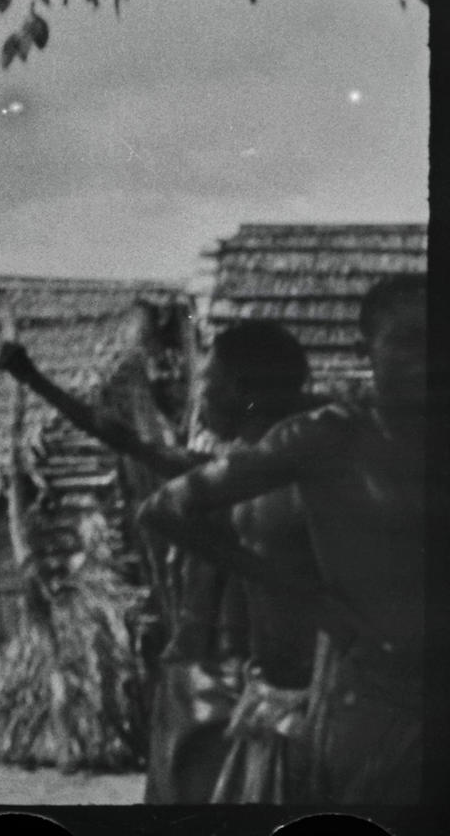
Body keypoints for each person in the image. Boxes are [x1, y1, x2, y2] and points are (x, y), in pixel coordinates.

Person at [0, 320, 321, 802]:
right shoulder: (248, 472)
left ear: (241, 391)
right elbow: (125, 439)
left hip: (234, 687)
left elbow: (130, 442)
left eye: (207, 383)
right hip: (219, 680)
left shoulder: (249, 478)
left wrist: (35, 379)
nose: (200, 396)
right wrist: (37, 381)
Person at [139, 274, 426, 804]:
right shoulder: (311, 447)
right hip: (310, 695)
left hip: (314, 690)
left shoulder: (321, 457)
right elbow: (162, 499)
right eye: (410, 343)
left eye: (213, 384)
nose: (430, 360)